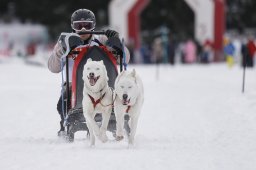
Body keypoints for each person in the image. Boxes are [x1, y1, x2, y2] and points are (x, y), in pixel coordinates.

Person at [48, 9, 130, 135]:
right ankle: (65, 125)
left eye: (87, 25)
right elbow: (53, 68)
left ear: (93, 26)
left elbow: (125, 59)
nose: (83, 30)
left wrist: (117, 45)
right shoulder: (65, 41)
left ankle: (115, 121)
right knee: (62, 101)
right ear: (72, 26)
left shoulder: (102, 39)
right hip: (73, 85)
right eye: (78, 26)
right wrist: (61, 50)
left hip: (103, 85)